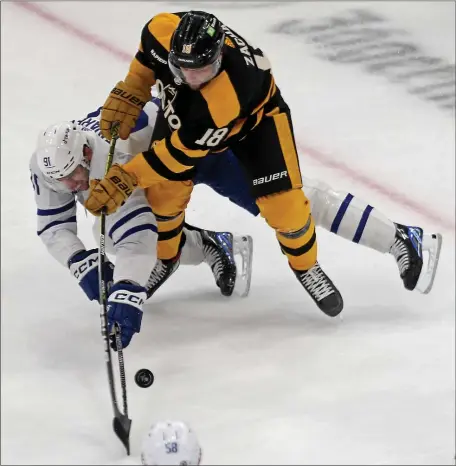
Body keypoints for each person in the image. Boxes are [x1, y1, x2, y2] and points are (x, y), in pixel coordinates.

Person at [84, 11, 442, 319]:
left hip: (253, 126)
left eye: (202, 70)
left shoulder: (226, 96)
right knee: (162, 198)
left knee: (286, 208)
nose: (191, 78)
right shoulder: (162, 29)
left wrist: (125, 179)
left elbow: (177, 156)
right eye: (183, 68)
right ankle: (168, 256)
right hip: (189, 127)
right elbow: (148, 57)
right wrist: (132, 87)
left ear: (220, 59)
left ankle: (307, 265)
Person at [29, 102, 253, 350]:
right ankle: (207, 244)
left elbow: (137, 235)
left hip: (194, 145)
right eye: (61, 180)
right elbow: (53, 223)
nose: (69, 186)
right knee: (108, 234)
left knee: (272, 197)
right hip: (152, 160)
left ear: (87, 154)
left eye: (73, 175)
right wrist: (78, 259)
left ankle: (174, 253)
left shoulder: (113, 161)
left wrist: (127, 288)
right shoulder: (48, 166)